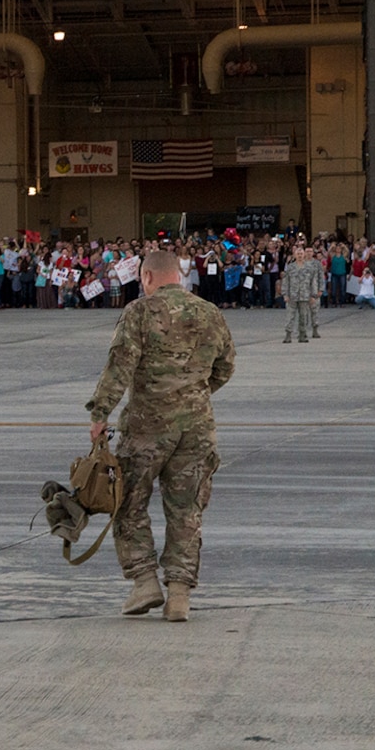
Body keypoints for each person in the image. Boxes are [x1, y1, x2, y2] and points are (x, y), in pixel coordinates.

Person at [87, 250, 237, 624]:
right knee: (187, 510)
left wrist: (100, 413)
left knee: (128, 502)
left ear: (149, 277)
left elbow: (119, 365)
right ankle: (179, 596)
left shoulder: (140, 311)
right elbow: (226, 366)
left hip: (146, 428)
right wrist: (193, 394)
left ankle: (143, 581)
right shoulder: (209, 313)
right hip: (197, 429)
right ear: (180, 275)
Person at [281, 243, 324, 343]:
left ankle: (302, 335)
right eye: (298, 253)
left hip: (305, 296)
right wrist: (285, 294)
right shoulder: (290, 267)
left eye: (301, 253)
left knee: (303, 317)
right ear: (295, 255)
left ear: (304, 255)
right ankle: (288, 334)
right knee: (290, 316)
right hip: (292, 295)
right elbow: (285, 281)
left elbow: (313, 282)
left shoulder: (309, 268)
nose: (300, 255)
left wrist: (313, 295)